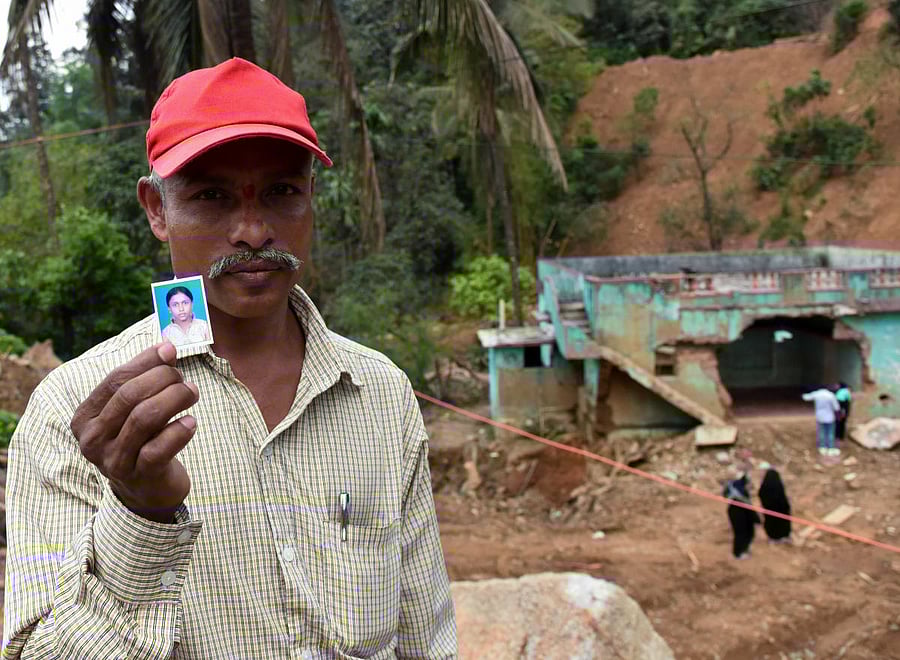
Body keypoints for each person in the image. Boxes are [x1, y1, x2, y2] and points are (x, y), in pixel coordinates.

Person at [3, 58, 457, 659]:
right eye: (211, 196)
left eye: (282, 192)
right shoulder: (76, 408)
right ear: (157, 210)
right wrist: (141, 512)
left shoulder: (381, 393)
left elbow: (425, 639)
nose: (251, 230)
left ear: (311, 198)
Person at [724, 471, 761, 559]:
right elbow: (748, 508)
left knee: (748, 533)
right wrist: (757, 519)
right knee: (741, 534)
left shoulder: (740, 492)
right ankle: (738, 553)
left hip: (739, 514)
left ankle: (743, 550)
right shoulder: (741, 494)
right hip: (739, 515)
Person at [802, 385, 841, 458]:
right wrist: (838, 417)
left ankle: (822, 447)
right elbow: (836, 407)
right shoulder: (830, 395)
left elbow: (806, 397)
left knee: (821, 432)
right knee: (830, 433)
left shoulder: (817, 394)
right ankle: (830, 448)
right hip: (830, 417)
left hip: (820, 417)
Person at [757, 462, 791, 543]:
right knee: (782, 521)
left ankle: (774, 537)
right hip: (781, 507)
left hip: (770, 508)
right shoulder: (776, 479)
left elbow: (761, 493)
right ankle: (783, 536)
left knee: (772, 522)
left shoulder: (767, 481)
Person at [835, 381, 852, 446]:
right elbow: (848, 403)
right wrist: (846, 413)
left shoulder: (839, 391)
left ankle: (837, 436)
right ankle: (841, 437)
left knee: (838, 423)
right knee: (842, 424)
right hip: (843, 410)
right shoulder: (846, 391)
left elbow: (839, 403)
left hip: (839, 410)